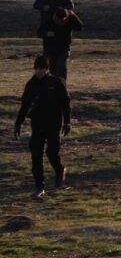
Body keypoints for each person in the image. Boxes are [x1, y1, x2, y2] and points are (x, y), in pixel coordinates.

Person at [14, 56, 70, 200]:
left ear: (47, 69)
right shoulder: (31, 84)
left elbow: (65, 103)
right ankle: (39, 186)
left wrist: (67, 122)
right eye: (37, 68)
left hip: (53, 125)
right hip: (37, 126)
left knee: (52, 153)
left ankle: (60, 170)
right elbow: (24, 106)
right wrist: (18, 124)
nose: (39, 71)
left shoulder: (56, 82)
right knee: (36, 155)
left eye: (42, 68)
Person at [41, 6, 82, 85]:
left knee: (61, 67)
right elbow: (39, 31)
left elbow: (79, 27)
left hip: (64, 48)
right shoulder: (48, 19)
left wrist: (74, 16)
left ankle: (62, 86)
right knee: (53, 69)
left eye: (63, 20)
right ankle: (54, 87)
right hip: (50, 48)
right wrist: (46, 33)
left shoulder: (70, 19)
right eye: (58, 20)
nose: (61, 22)